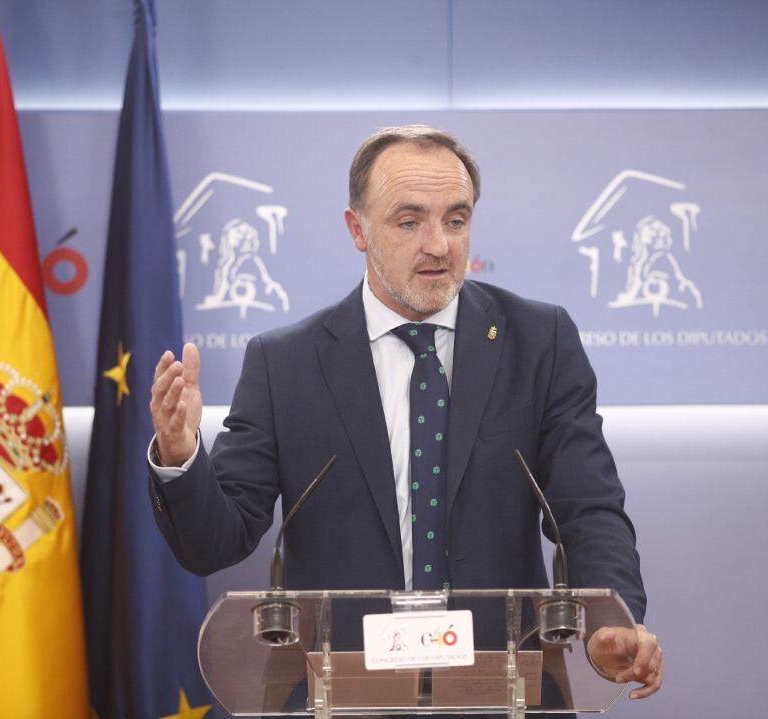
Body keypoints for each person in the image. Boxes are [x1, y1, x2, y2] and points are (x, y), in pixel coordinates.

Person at [149, 125, 662, 700]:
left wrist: (611, 614)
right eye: (409, 221)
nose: (440, 244)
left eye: (457, 220)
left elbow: (587, 507)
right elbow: (217, 542)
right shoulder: (284, 363)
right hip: (337, 696)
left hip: (503, 691)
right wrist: (180, 456)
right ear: (358, 229)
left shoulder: (538, 342)